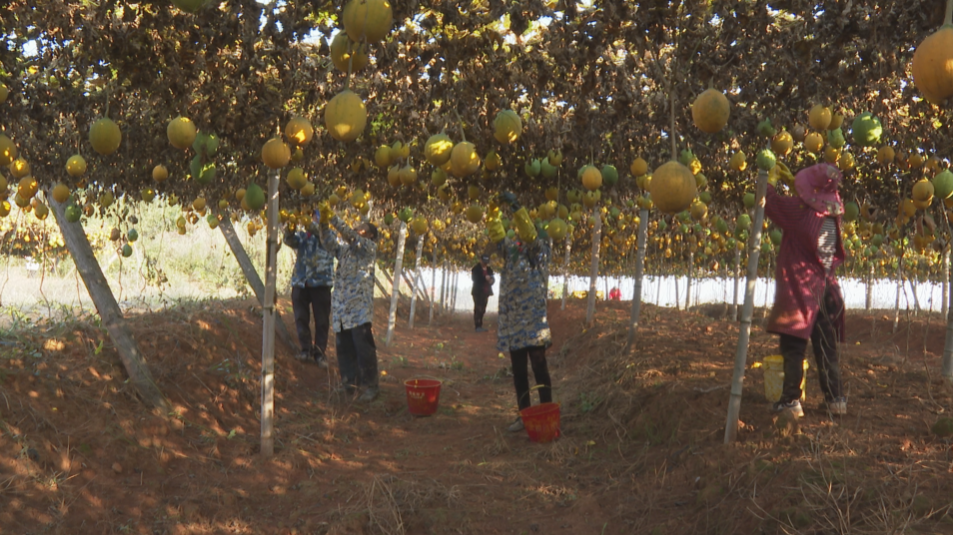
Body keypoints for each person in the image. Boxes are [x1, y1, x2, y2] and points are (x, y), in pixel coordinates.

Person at [764, 162, 847, 418]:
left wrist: (769, 179)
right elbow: (812, 205)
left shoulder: (800, 212)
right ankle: (836, 400)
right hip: (824, 285)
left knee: (793, 345)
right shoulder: (833, 214)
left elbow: (769, 203)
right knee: (825, 346)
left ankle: (790, 401)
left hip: (801, 288)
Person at [490, 193, 554, 432]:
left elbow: (530, 235)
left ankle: (547, 410)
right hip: (513, 322)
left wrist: (517, 207)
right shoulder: (512, 251)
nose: (522, 236)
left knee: (539, 367)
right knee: (519, 371)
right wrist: (493, 211)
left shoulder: (540, 253)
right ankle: (524, 414)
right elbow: (497, 236)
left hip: (534, 322)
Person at [317, 203, 381, 402]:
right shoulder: (344, 251)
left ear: (369, 235)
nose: (357, 228)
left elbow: (351, 236)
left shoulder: (369, 249)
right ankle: (349, 386)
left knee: (363, 348)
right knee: (343, 349)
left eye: (362, 227)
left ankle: (370, 386)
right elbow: (329, 243)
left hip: (359, 310)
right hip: (342, 309)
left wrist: (333, 217)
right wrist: (324, 223)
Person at [283, 216, 333, 368]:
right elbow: (289, 240)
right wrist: (290, 225)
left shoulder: (329, 236)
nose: (313, 221)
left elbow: (322, 236)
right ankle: (305, 350)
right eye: (311, 218)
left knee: (322, 321)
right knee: (300, 318)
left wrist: (308, 223)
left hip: (321, 283)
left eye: (317, 218)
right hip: (301, 282)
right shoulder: (303, 237)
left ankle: (319, 354)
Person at [471, 254, 495, 332]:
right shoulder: (476, 269)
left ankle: (480, 325)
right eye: (484, 261)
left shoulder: (489, 269)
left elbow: (492, 279)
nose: (485, 263)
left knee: (483, 309)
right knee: (478, 308)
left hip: (486, 291)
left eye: (486, 262)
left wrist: (491, 280)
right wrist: (484, 278)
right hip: (478, 291)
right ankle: (477, 325)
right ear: (480, 260)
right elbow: (474, 279)